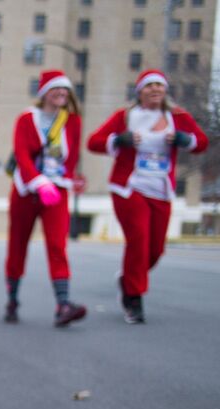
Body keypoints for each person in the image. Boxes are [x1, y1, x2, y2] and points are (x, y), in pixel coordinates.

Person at [87, 69, 209, 325]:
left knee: (155, 249)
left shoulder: (178, 117)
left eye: (159, 85)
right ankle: (133, 299)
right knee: (139, 241)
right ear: (139, 91)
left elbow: (201, 142)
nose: (155, 89)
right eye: (149, 85)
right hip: (129, 188)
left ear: (165, 90)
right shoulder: (125, 116)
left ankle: (127, 279)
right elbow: (93, 142)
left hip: (161, 189)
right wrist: (119, 140)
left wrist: (184, 139)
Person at [4, 70, 87, 327]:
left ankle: (63, 304)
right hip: (27, 191)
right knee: (18, 245)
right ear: (44, 92)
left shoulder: (73, 121)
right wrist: (38, 182)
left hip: (56, 192)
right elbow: (22, 155)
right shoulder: (27, 118)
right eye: (55, 88)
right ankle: (12, 299)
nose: (61, 93)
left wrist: (69, 179)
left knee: (57, 245)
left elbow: (71, 157)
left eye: (65, 89)